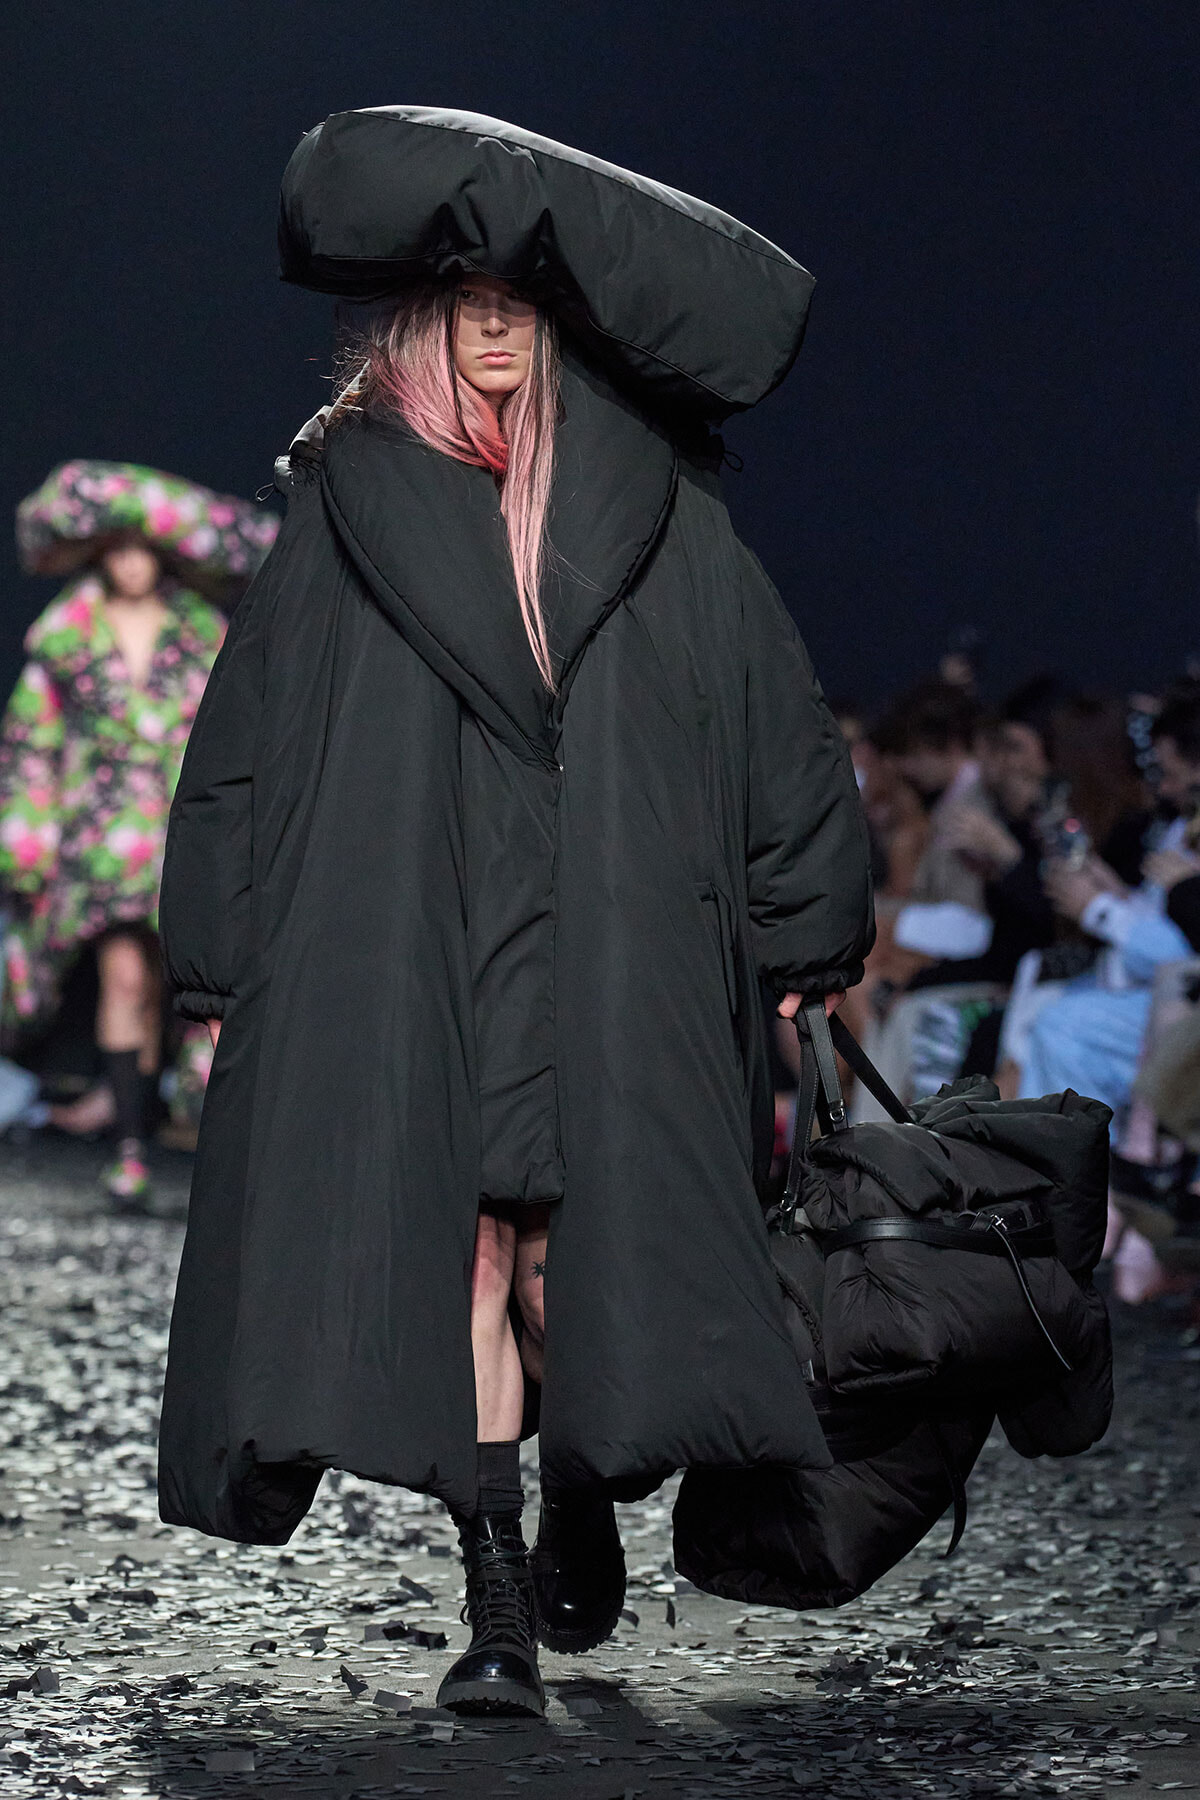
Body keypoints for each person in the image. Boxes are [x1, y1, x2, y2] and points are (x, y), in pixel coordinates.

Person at [156, 108, 874, 1719]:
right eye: (464, 294)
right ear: (422, 312)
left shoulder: (657, 500)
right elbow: (252, 733)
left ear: (556, 315)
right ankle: (492, 1596)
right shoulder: (347, 496)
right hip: (413, 927)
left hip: (608, 934)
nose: (491, 322)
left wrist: (808, 918)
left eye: (518, 298)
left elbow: (769, 706)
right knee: (465, 1255)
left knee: (575, 1265)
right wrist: (217, 943)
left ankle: (576, 1490)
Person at [0, 461, 277, 1203]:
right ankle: (128, 1149)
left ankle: (150, 1128)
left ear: (163, 556)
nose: (129, 562)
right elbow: (31, 740)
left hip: (181, 832)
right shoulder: (66, 638)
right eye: (115, 550)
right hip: (99, 836)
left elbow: (236, 731)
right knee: (124, 978)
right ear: (100, 557)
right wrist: (25, 833)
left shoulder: (201, 634)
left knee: (172, 989)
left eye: (141, 548)